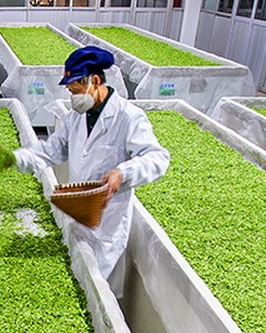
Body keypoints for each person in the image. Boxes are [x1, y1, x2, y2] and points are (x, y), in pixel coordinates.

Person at [11, 45, 169, 282]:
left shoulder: (128, 116)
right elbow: (52, 150)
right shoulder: (76, 116)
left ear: (94, 81)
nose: (72, 97)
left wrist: (122, 173)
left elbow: (157, 158)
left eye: (75, 89)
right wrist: (17, 158)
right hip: (79, 212)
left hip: (107, 223)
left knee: (100, 284)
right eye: (70, 91)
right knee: (79, 275)